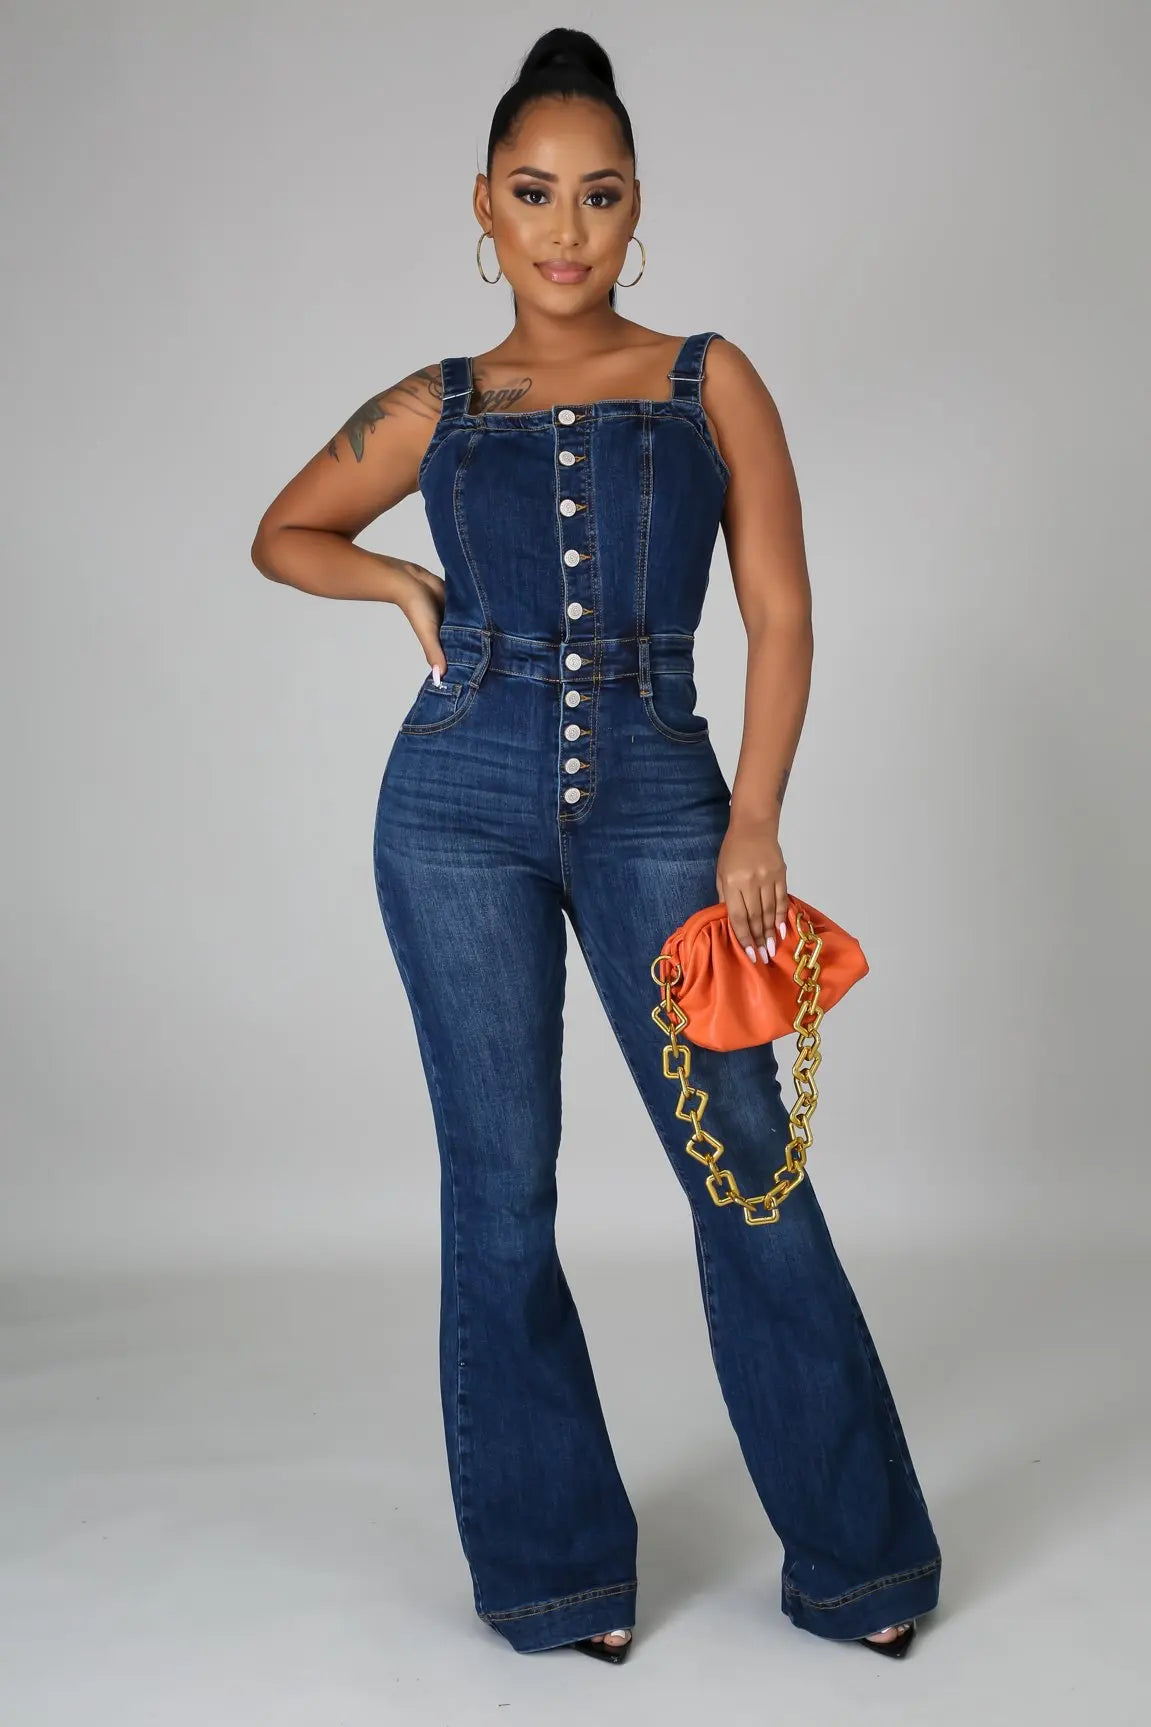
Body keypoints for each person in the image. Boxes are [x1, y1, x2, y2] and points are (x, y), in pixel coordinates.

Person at [251, 26, 942, 1666]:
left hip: (662, 797)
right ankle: (555, 1573)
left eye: (600, 195)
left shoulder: (710, 379)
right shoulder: (435, 402)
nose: (566, 230)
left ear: (639, 209)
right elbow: (283, 533)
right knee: (500, 1192)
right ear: (483, 205)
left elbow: (781, 613)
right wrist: (398, 581)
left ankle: (859, 1564)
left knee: (747, 1166)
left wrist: (754, 812)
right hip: (455, 806)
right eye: (534, 192)